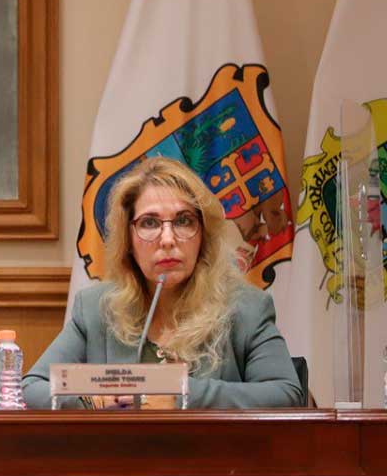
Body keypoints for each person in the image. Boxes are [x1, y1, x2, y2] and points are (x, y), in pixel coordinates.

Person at [22, 157, 303, 409]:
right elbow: (32, 388)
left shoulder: (246, 308)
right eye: (149, 223)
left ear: (203, 235)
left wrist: (180, 396)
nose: (167, 239)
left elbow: (285, 393)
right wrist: (94, 399)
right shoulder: (96, 308)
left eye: (183, 221)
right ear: (128, 240)